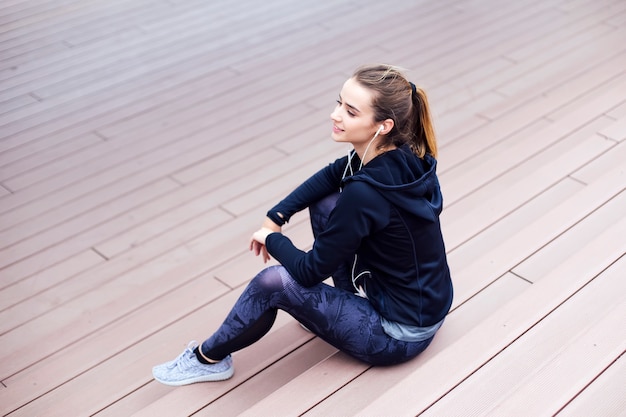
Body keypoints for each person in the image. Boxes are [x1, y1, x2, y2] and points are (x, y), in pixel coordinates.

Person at [152, 64, 453, 386]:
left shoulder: (365, 193)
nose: (335, 115)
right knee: (325, 203)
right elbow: (328, 177)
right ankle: (342, 301)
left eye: (350, 112)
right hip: (424, 305)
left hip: (397, 337)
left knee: (273, 283)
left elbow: (310, 271)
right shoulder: (404, 154)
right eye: (340, 103)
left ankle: (207, 360)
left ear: (383, 125)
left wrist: (270, 238)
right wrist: (277, 216)